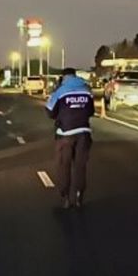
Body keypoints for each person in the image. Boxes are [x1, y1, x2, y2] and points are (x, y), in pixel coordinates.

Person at [45, 68, 95, 209]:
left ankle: (65, 196)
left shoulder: (60, 91)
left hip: (65, 134)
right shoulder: (87, 90)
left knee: (64, 165)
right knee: (80, 166)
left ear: (64, 77)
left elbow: (50, 112)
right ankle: (79, 195)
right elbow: (91, 111)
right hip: (84, 133)